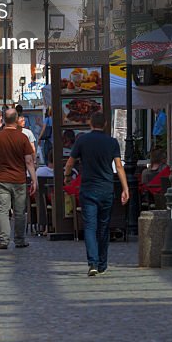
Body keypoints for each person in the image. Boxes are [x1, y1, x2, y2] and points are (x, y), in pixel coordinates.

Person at [64, 111, 129, 277]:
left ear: (90, 123)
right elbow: (119, 166)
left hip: (88, 189)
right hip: (106, 189)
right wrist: (125, 188)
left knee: (90, 227)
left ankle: (92, 263)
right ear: (105, 124)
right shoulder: (112, 142)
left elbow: (70, 162)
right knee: (104, 226)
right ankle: (102, 263)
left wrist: (67, 176)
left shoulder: (82, 140)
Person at [0, 108, 37, 250]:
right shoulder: (23, 138)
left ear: (4, 119)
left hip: (2, 179)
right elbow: (29, 161)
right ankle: (20, 240)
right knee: (20, 212)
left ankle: (4, 240)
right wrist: (34, 179)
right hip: (19, 180)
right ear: (16, 120)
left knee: (3, 211)